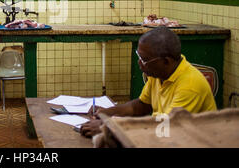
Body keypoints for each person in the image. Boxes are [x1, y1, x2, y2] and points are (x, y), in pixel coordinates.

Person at [81, 26, 217, 138]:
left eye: (144, 60)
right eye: (139, 56)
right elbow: (140, 106)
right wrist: (106, 114)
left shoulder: (190, 86)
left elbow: (166, 129)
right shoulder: (158, 74)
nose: (140, 63)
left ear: (166, 61)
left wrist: (110, 128)